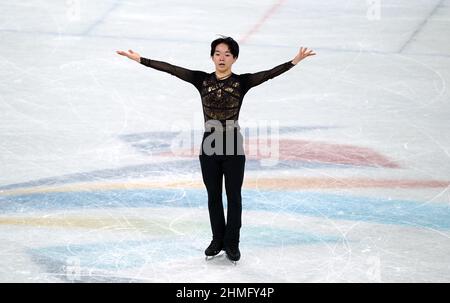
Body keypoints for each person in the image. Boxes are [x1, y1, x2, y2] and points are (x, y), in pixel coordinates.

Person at [117, 37, 315, 263]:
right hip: (209, 145)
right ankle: (217, 240)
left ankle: (232, 243)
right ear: (212, 56)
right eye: (218, 53)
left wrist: (294, 61)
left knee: (234, 197)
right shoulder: (201, 79)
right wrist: (141, 59)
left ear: (235, 58)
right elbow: (171, 69)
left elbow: (269, 74)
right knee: (213, 196)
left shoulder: (242, 82)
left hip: (232, 145)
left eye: (227, 54)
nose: (222, 58)